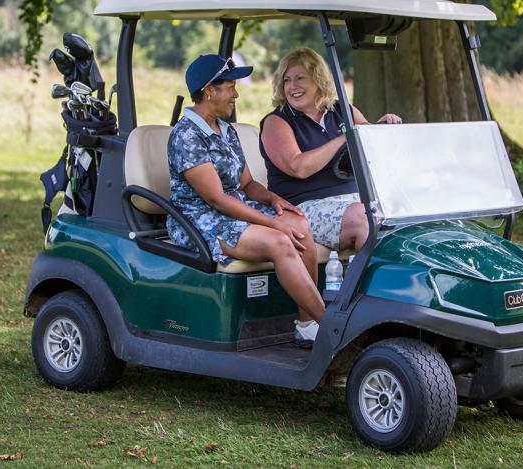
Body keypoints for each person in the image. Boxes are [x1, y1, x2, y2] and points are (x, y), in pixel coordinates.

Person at [167, 54, 324, 347]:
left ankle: (307, 325)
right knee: (280, 241)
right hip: (199, 219)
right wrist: (273, 224)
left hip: (232, 210)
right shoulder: (186, 135)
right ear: (209, 91)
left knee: (300, 227)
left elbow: (247, 184)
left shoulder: (226, 130)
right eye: (230, 87)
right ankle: (331, 328)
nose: (236, 95)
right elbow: (216, 199)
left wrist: (274, 200)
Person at [259, 47, 401, 253]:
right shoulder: (277, 122)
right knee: (365, 219)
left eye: (300, 78)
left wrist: (382, 129)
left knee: (401, 210)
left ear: (318, 80)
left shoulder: (343, 110)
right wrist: (346, 137)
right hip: (303, 206)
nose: (292, 86)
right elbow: (298, 167)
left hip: (355, 199)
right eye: (286, 80)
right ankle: (377, 274)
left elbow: (369, 146)